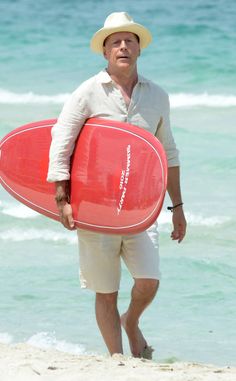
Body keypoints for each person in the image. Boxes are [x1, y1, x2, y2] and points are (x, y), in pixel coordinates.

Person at [47, 12, 187, 359]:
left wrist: (178, 207)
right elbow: (61, 142)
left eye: (129, 41)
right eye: (115, 42)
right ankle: (118, 361)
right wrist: (62, 198)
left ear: (139, 48)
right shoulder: (88, 92)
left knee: (148, 280)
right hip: (96, 208)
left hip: (140, 207)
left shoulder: (157, 96)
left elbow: (166, 152)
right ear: (105, 51)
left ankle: (132, 321)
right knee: (106, 291)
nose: (123, 46)